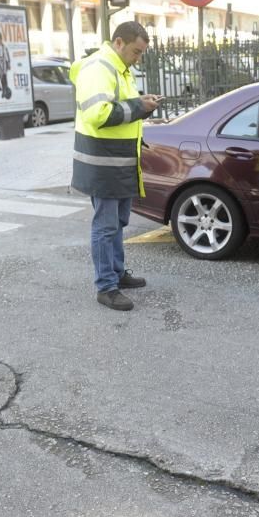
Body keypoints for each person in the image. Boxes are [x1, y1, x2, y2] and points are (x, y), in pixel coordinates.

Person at [70, 21, 161, 311]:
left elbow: (119, 105)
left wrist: (139, 102)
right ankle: (105, 287)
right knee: (106, 226)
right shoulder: (99, 68)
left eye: (141, 54)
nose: (138, 59)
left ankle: (117, 273)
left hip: (118, 161)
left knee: (118, 223)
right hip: (104, 162)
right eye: (136, 52)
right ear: (119, 42)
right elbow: (98, 113)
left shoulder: (119, 68)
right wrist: (138, 108)